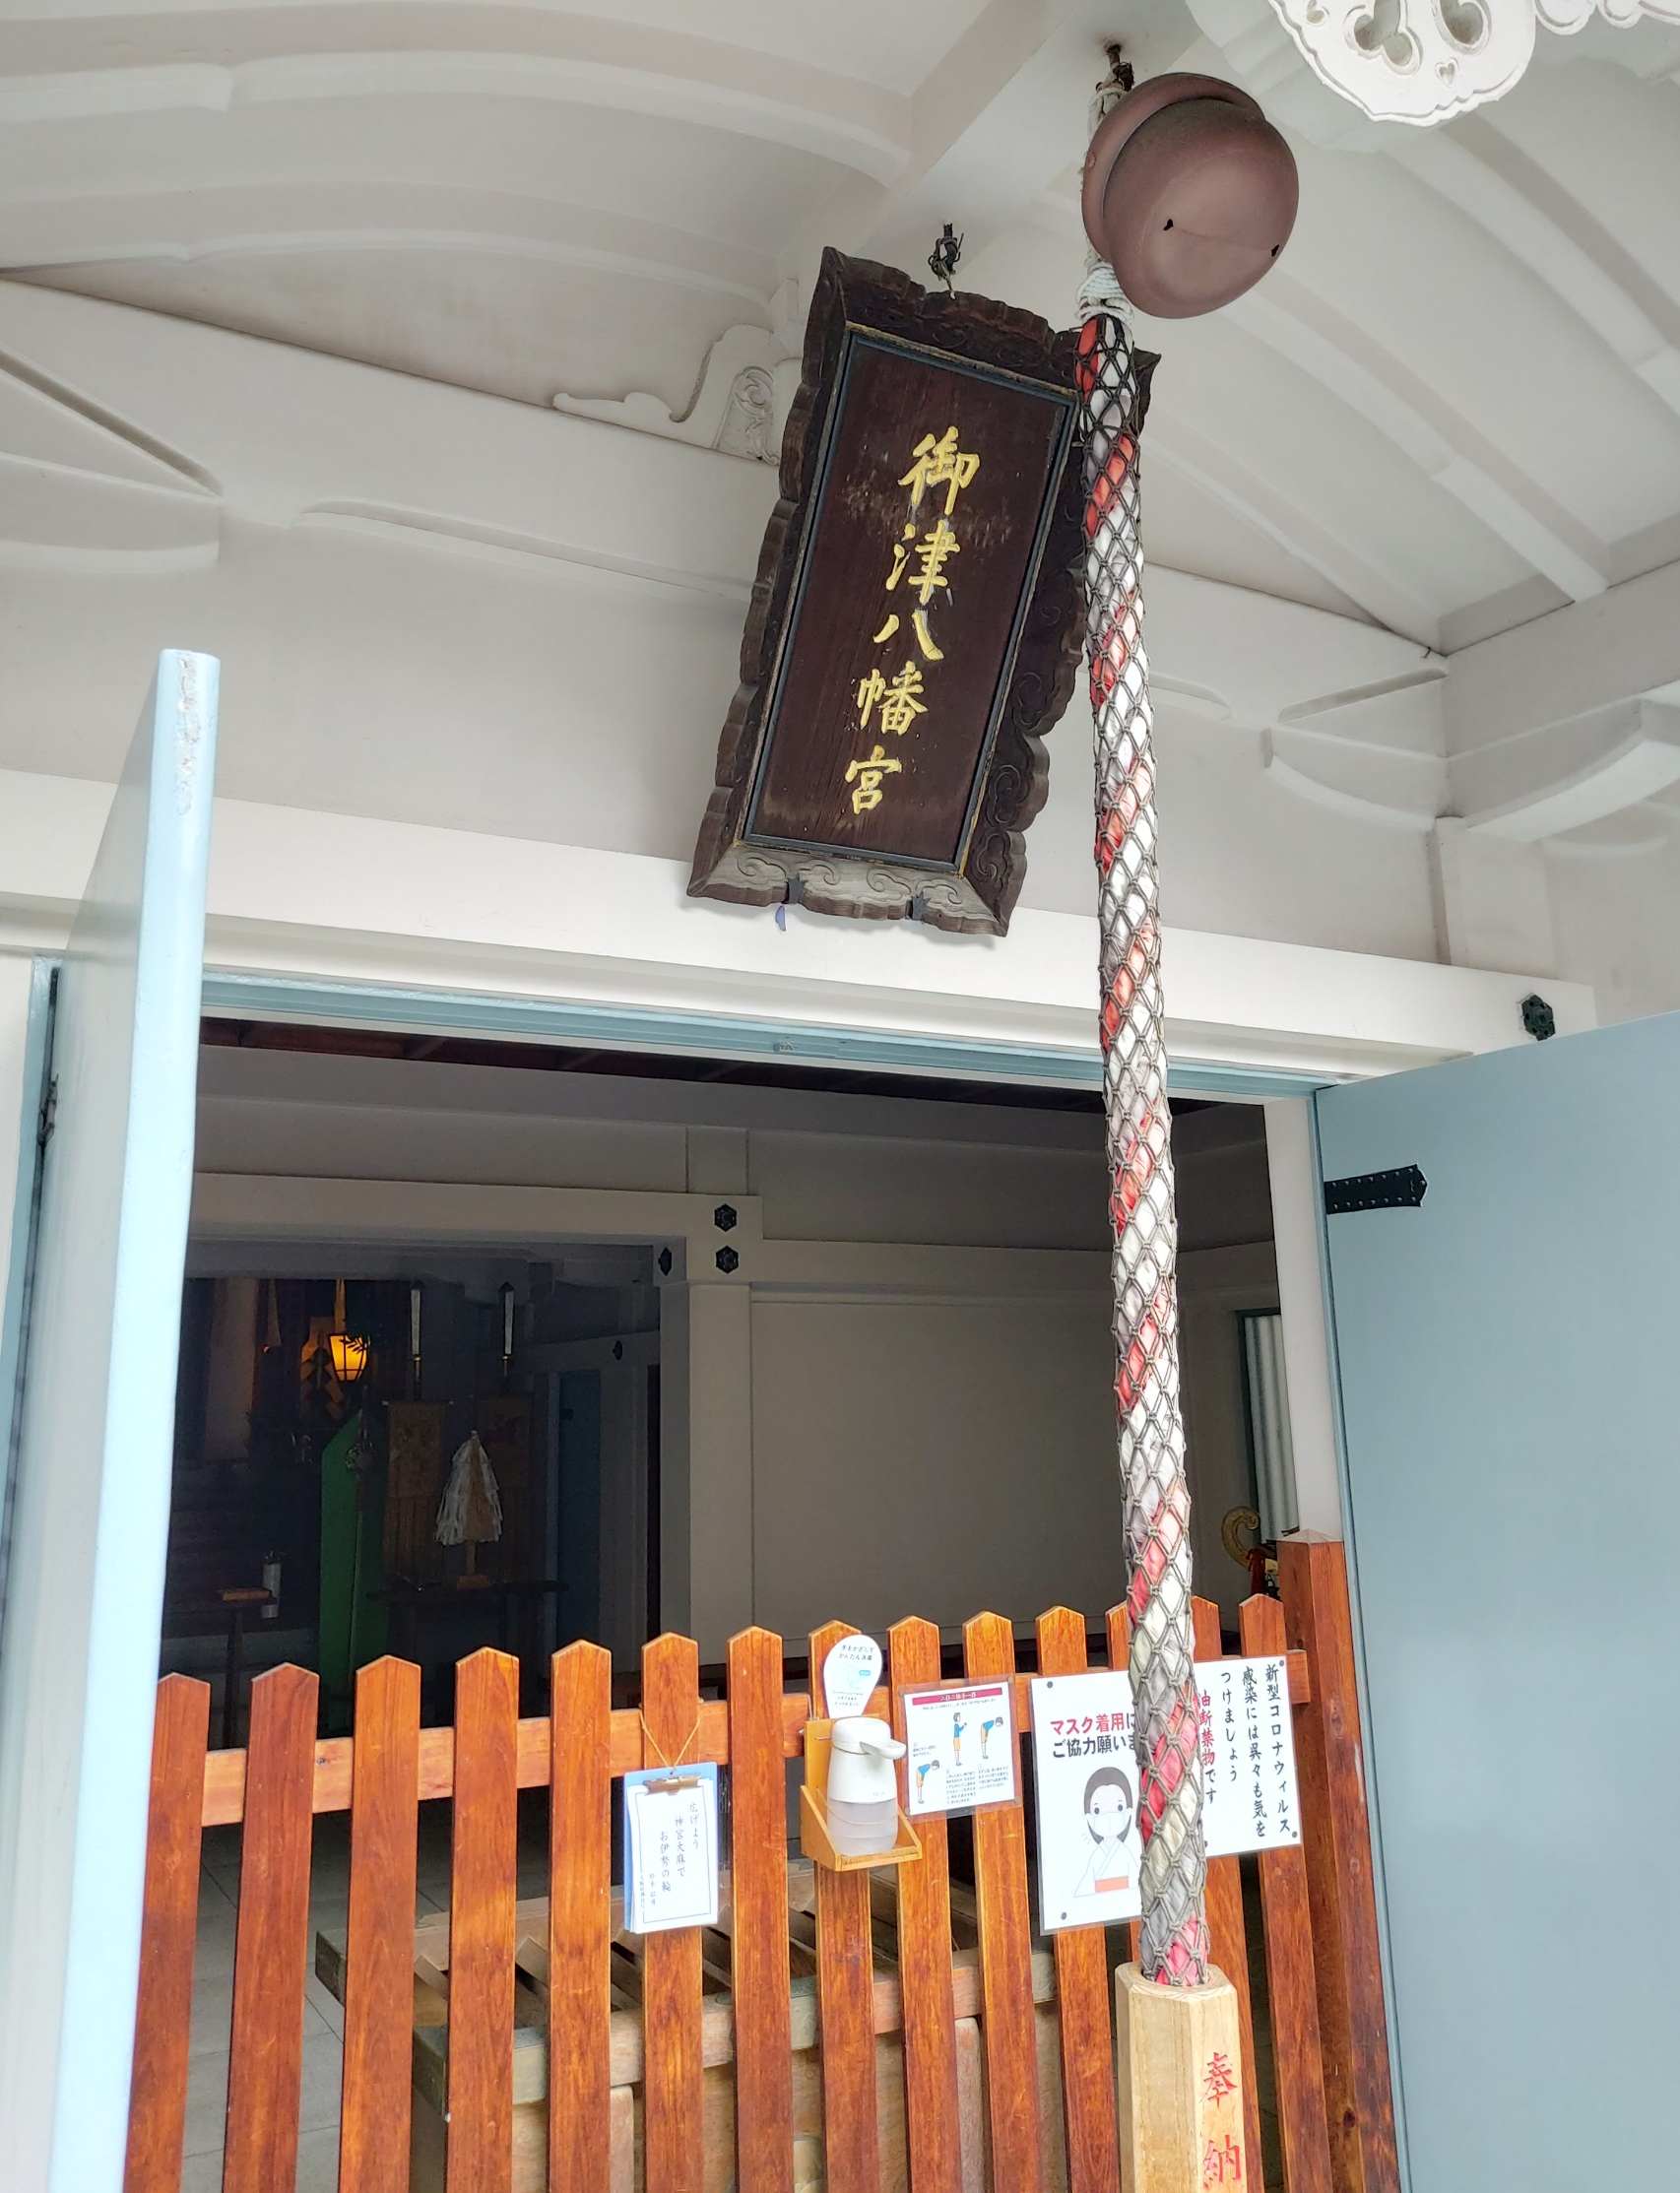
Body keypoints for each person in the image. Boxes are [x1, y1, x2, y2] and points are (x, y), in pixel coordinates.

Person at [1074, 1765, 1134, 1896]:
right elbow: (1085, 1887)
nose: (1109, 1817)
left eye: (1119, 1807)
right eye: (1097, 1810)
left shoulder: (1126, 1854)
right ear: (1089, 1817)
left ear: (1128, 1813)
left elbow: (1137, 1880)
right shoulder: (1096, 1857)